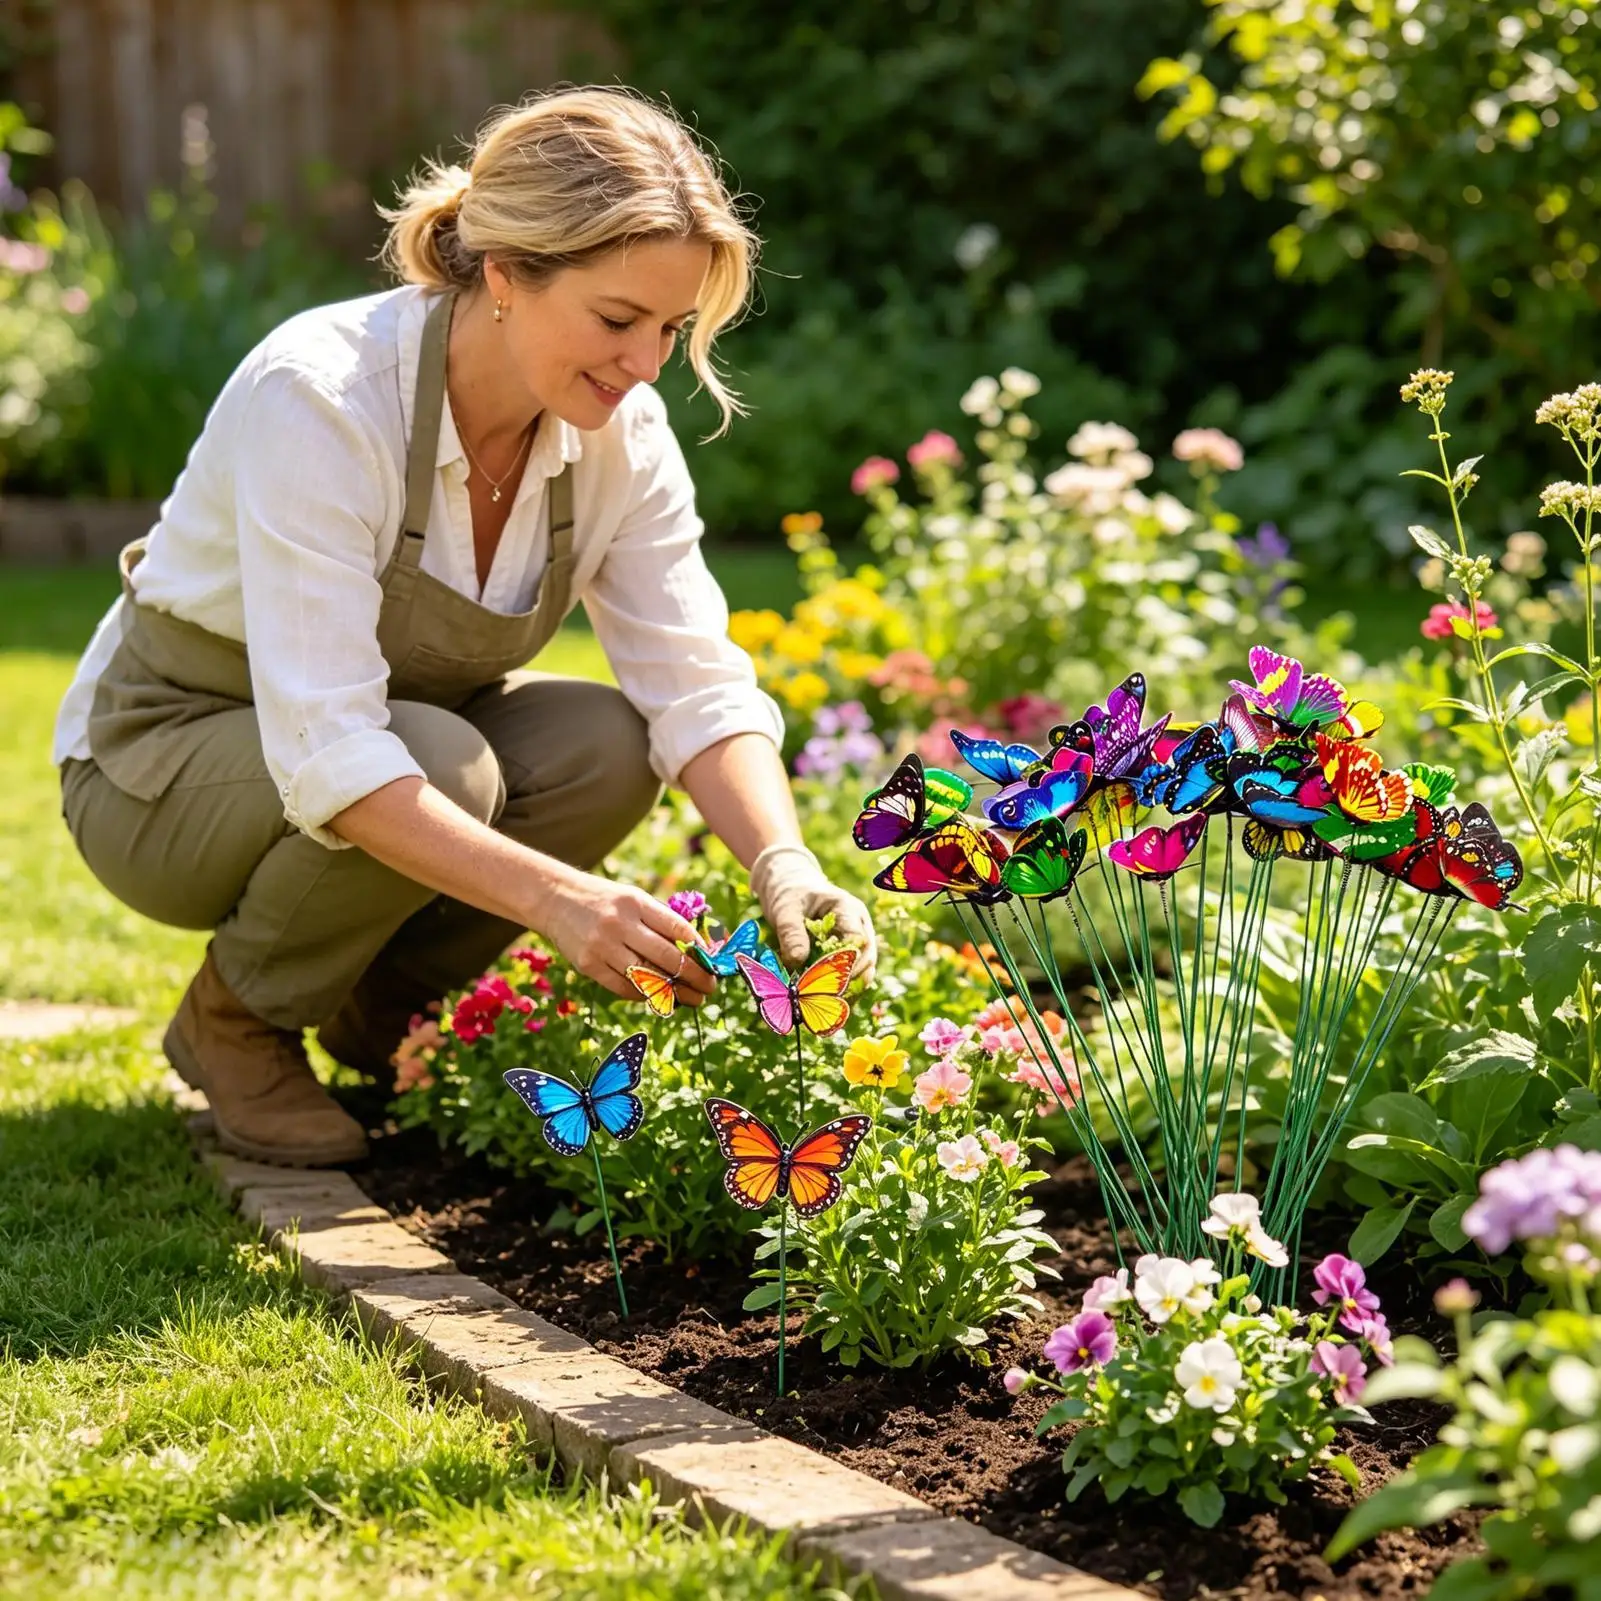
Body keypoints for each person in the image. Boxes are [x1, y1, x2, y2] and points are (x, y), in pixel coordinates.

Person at [52, 85, 877, 1170]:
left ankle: (375, 1011)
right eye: (618, 319)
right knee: (441, 761)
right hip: (158, 767)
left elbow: (695, 684)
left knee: (606, 744)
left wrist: (781, 858)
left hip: (386, 746)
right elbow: (331, 750)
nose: (646, 366)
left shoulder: (617, 437)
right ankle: (237, 1020)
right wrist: (557, 900)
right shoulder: (327, 395)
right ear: (504, 273)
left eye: (670, 329)